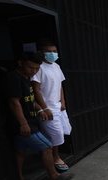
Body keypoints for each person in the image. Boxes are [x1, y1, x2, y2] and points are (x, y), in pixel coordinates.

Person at [3, 52, 74, 180]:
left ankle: (19, 176)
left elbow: (29, 99)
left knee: (20, 151)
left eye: (36, 68)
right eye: (30, 67)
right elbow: (14, 102)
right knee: (47, 146)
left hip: (29, 121)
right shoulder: (13, 77)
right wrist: (23, 123)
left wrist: (40, 110)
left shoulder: (26, 78)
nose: (34, 71)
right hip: (23, 123)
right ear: (20, 63)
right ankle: (54, 175)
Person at [30, 39, 70, 172]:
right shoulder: (38, 67)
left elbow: (60, 85)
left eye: (54, 51)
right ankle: (55, 157)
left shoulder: (56, 66)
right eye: (49, 52)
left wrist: (62, 101)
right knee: (56, 134)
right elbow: (36, 90)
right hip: (46, 108)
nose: (52, 54)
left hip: (58, 105)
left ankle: (49, 154)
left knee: (63, 131)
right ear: (40, 53)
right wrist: (45, 108)